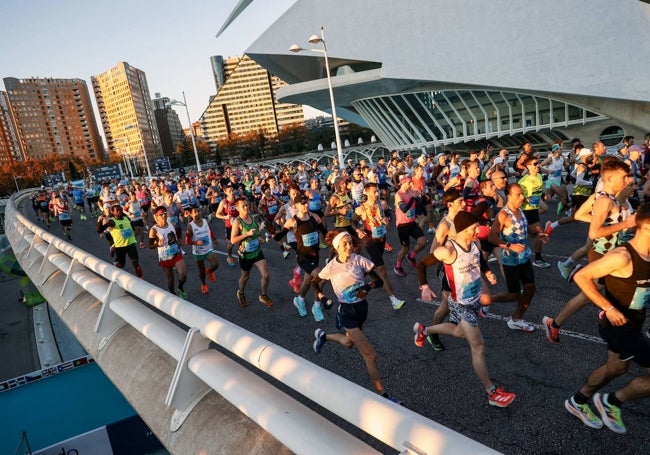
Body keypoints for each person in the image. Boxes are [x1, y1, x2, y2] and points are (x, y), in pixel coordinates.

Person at [565, 202, 650, 434]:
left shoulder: (647, 254)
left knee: (615, 369)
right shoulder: (622, 256)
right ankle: (612, 402)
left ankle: (578, 401)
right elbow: (582, 276)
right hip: (619, 326)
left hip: (633, 324)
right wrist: (608, 308)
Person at [413, 212, 514, 408]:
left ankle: (424, 331)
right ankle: (491, 392)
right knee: (478, 346)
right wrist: (424, 286)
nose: (478, 230)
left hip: (475, 298)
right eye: (474, 228)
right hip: (461, 304)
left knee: (459, 332)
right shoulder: (448, 251)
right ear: (463, 229)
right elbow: (421, 265)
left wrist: (487, 272)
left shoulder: (475, 244)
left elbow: (479, 261)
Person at [543, 158, 635, 342]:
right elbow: (594, 233)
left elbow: (579, 215)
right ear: (609, 179)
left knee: (594, 294)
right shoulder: (604, 201)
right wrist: (623, 224)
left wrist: (613, 223)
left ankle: (556, 323)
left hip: (613, 253)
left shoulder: (606, 198)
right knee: (593, 294)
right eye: (624, 178)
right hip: (602, 254)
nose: (627, 182)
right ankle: (559, 323)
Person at [312, 231, 403, 404]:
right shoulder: (331, 266)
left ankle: (323, 336)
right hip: (346, 312)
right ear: (337, 247)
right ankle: (382, 395)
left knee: (348, 343)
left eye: (350, 243)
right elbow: (315, 283)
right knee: (370, 355)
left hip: (362, 308)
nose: (349, 246)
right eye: (344, 244)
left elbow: (379, 281)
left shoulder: (359, 260)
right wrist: (323, 298)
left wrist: (367, 288)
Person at [488, 183, 543, 332]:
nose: (522, 197)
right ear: (509, 196)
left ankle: (516, 319)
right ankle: (487, 301)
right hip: (510, 259)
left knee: (530, 288)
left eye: (522, 194)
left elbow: (525, 227)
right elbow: (492, 236)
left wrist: (537, 234)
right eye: (518, 194)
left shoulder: (520, 210)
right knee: (514, 294)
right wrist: (508, 245)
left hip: (523, 257)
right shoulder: (503, 214)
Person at [274, 191, 327, 320]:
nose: (306, 205)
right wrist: (273, 233)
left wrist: (335, 242)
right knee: (322, 276)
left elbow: (325, 233)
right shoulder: (293, 221)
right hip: (303, 256)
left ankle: (300, 300)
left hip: (315, 254)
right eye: (303, 203)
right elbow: (280, 236)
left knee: (308, 281)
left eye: (307, 202)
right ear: (296, 205)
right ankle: (317, 305)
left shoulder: (315, 217)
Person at [354, 182, 405, 310]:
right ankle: (393, 300)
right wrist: (358, 230)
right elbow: (352, 221)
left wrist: (387, 220)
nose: (377, 194)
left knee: (373, 265)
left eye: (377, 191)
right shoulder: (362, 209)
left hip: (382, 239)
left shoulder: (381, 204)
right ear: (366, 193)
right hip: (369, 240)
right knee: (382, 269)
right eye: (374, 192)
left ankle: (355, 279)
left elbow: (388, 216)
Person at [231, 197, 273, 308]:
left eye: (247, 205)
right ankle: (241, 292)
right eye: (243, 206)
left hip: (257, 251)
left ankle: (263, 295)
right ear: (237, 208)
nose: (246, 207)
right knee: (245, 277)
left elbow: (257, 233)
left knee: (266, 275)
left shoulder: (252, 218)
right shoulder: (237, 222)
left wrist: (260, 238)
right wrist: (246, 234)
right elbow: (233, 240)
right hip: (245, 254)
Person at [148, 205, 187, 298]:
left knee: (183, 274)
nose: (164, 216)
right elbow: (150, 246)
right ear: (156, 216)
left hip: (176, 253)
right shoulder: (154, 230)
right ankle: (173, 294)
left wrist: (179, 242)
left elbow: (175, 237)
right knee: (170, 280)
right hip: (165, 257)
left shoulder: (171, 224)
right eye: (161, 214)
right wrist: (158, 244)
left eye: (165, 213)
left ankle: (180, 287)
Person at [393, 174, 427, 276]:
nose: (411, 184)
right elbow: (404, 209)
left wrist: (422, 197)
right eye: (409, 182)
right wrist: (413, 198)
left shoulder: (411, 191)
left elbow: (418, 202)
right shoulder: (398, 195)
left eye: (411, 182)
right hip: (402, 226)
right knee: (405, 248)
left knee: (423, 242)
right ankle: (397, 266)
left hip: (412, 223)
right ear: (403, 183)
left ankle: (411, 256)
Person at [185, 205, 219, 295]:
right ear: (191, 214)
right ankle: (204, 284)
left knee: (215, 264)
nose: (197, 213)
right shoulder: (190, 226)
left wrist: (214, 239)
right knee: (201, 270)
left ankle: (210, 271)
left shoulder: (205, 221)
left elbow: (210, 230)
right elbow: (187, 241)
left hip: (208, 248)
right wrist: (195, 243)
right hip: (198, 252)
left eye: (198, 211)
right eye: (194, 212)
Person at [104, 204, 143, 278]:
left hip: (129, 243)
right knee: (121, 264)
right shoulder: (106, 218)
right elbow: (104, 230)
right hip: (114, 239)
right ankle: (112, 248)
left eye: (108, 208)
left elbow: (129, 224)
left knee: (135, 261)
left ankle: (140, 277)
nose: (107, 209)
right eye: (106, 208)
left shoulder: (124, 217)